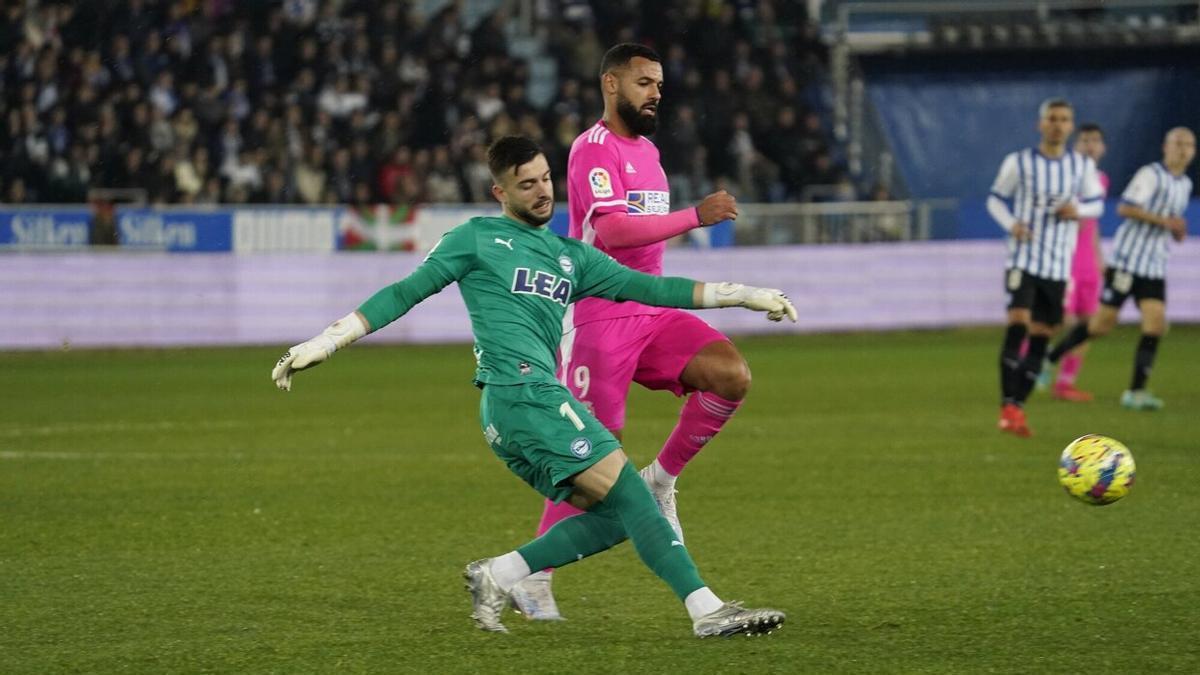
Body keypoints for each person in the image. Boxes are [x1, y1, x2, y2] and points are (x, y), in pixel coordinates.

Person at [271, 136, 793, 637]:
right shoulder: (474, 238)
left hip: (526, 404)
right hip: (521, 396)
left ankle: (498, 574)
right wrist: (331, 338)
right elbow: (405, 292)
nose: (543, 191)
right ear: (500, 193)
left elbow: (653, 288)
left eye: (546, 179)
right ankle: (707, 611)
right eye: (527, 184)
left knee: (618, 518)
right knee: (638, 497)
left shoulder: (571, 256)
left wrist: (742, 294)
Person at [510, 43, 746, 619]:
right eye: (644, 82)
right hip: (600, 315)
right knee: (586, 463)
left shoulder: (650, 153)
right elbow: (613, 232)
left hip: (652, 312)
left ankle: (662, 478)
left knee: (728, 375)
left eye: (659, 84)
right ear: (611, 85)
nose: (655, 93)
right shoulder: (593, 149)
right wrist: (696, 215)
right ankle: (531, 576)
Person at [1043, 127, 1194, 410]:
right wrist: (1164, 222)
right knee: (1100, 325)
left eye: (1188, 145)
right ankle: (1050, 358)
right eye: (1178, 143)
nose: (1183, 149)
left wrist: (1176, 231)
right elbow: (1125, 208)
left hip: (1154, 265)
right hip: (1128, 262)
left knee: (1156, 325)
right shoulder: (1151, 175)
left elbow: (1170, 221)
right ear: (1166, 146)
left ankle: (1136, 392)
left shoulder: (1184, 184)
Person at [986, 98, 1105, 437]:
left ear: (1070, 126)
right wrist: (1012, 224)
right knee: (1018, 322)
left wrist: (1078, 210)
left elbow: (1096, 204)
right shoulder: (1019, 162)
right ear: (1040, 125)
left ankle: (1017, 410)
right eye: (1052, 118)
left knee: (1041, 335)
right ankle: (1007, 403)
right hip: (1022, 258)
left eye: (1064, 119)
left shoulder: (1081, 167)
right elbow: (995, 198)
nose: (1057, 124)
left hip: (1057, 265)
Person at [1036, 123, 1109, 401]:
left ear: (1103, 148)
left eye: (1096, 140)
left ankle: (1064, 383)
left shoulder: (1101, 179)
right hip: (1063, 258)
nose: (1091, 145)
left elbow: (1092, 222)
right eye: (1085, 140)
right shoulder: (1063, 176)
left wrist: (1099, 257)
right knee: (1056, 320)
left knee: (1088, 324)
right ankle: (1033, 365)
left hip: (1087, 262)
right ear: (1075, 146)